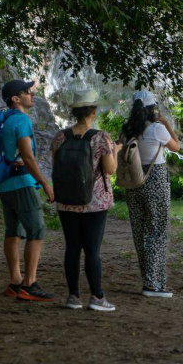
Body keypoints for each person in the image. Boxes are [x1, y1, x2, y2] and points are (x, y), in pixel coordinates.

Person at [49, 89, 118, 311]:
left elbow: (56, 167)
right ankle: (97, 297)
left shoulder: (60, 137)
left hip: (67, 201)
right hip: (94, 202)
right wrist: (115, 151)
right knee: (92, 251)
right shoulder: (101, 137)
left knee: (72, 248)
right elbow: (110, 169)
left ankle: (73, 297)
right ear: (93, 112)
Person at [0, 78, 55, 302]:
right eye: (27, 92)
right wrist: (44, 183)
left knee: (13, 232)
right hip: (22, 183)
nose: (32, 94)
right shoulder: (21, 120)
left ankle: (15, 282)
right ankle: (29, 284)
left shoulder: (4, 120)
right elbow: (28, 156)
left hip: (4, 183)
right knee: (36, 231)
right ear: (16, 99)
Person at [121, 90, 181, 298]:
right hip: (155, 182)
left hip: (133, 181)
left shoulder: (126, 130)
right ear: (151, 109)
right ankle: (152, 285)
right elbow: (176, 146)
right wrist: (166, 123)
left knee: (140, 233)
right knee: (158, 231)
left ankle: (150, 280)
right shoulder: (157, 129)